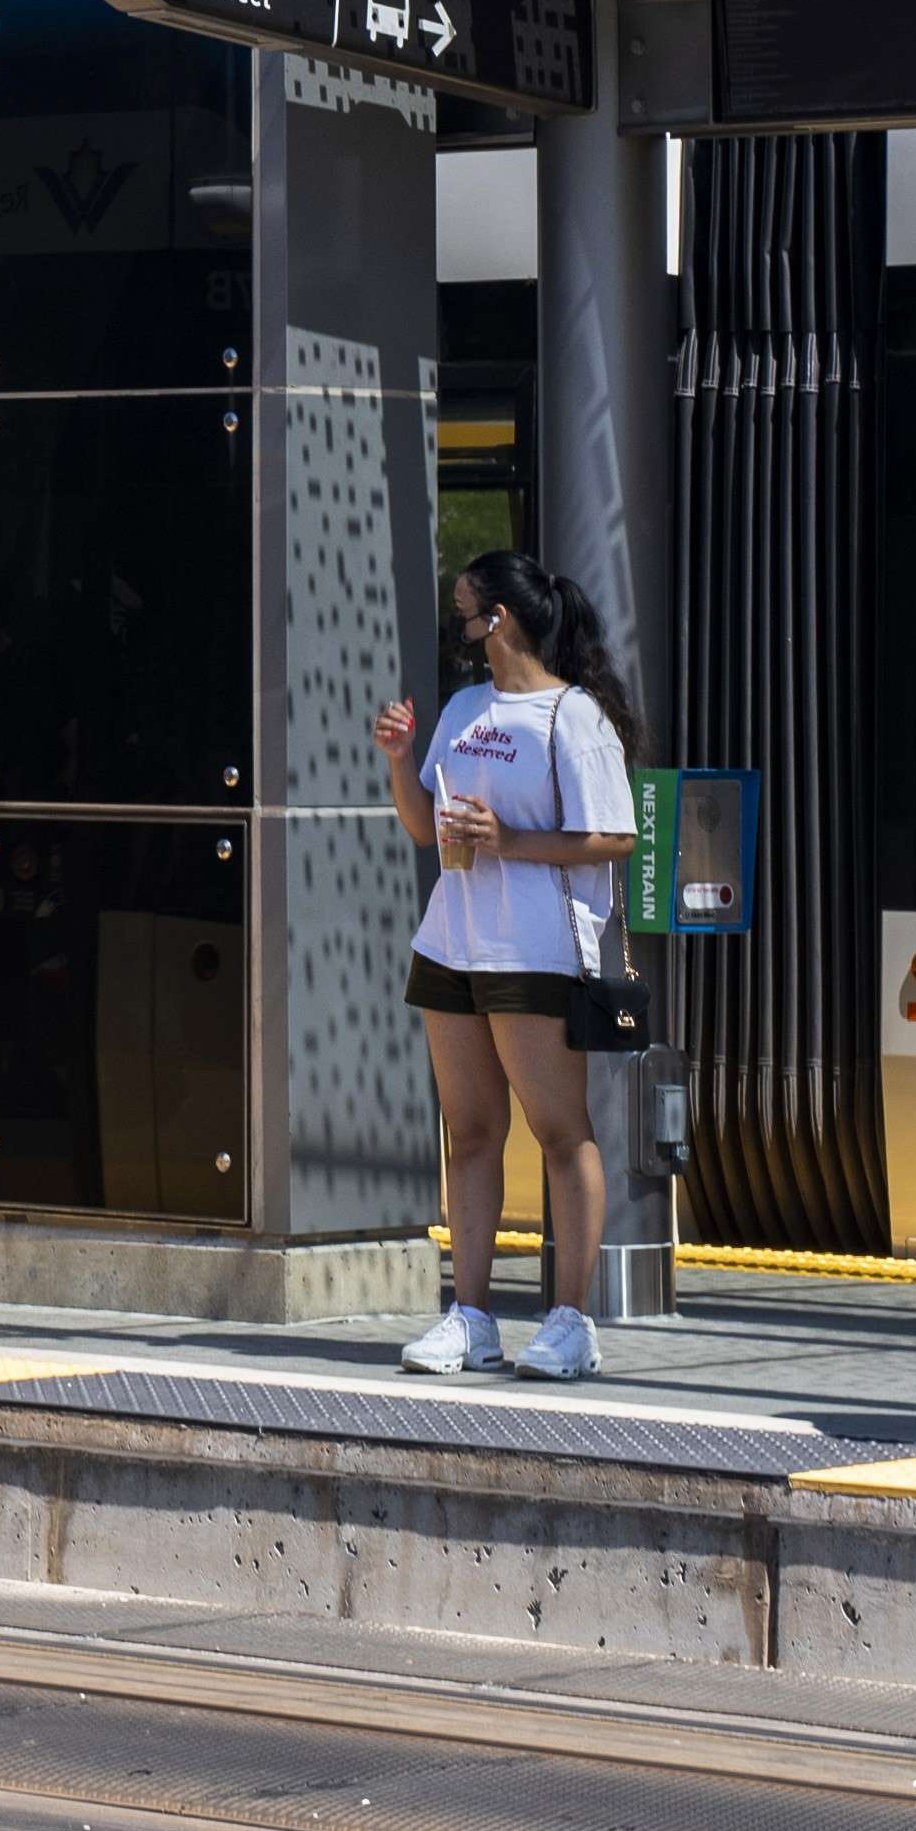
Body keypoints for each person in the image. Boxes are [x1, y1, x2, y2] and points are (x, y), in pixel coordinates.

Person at [376, 547, 644, 1384]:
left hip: (537, 949)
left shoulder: (575, 718)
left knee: (561, 1133)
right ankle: (473, 1316)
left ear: (500, 619)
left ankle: (571, 1321)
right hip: (452, 939)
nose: (457, 625)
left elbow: (617, 836)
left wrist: (510, 842)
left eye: (464, 610)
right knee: (470, 1133)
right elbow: (425, 827)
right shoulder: (462, 708)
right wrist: (396, 757)